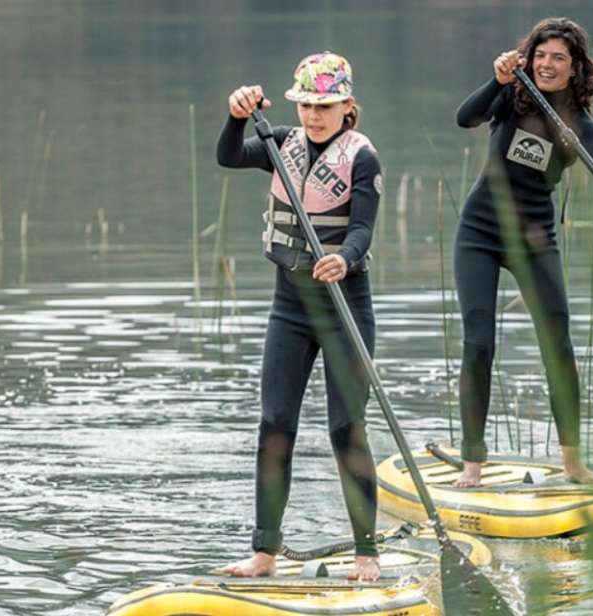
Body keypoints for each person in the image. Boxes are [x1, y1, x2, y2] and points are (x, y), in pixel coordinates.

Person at [216, 52, 383, 581]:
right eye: (307, 104)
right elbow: (226, 156)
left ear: (347, 107)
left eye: (325, 106)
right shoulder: (278, 143)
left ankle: (366, 555)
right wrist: (236, 115)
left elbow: (361, 229)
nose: (314, 115)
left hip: (343, 306)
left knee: (345, 428)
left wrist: (346, 257)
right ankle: (264, 552)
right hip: (289, 307)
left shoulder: (363, 158)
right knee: (275, 424)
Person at [452, 17, 593, 487]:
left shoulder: (578, 123)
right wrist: (496, 80)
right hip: (480, 230)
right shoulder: (511, 94)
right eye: (540, 55)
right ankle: (472, 464)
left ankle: (572, 463)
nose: (546, 64)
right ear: (528, 58)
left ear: (575, 67)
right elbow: (465, 117)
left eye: (558, 57)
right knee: (479, 344)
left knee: (559, 346)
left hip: (535, 237)